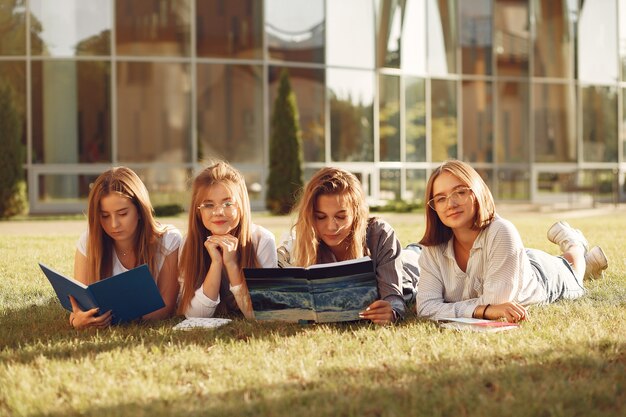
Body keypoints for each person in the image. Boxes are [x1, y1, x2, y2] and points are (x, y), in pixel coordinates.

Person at [416, 160, 609, 322]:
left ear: (476, 192)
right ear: (433, 207)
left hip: (541, 277)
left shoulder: (502, 230)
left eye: (460, 192)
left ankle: (574, 242)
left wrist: (447, 308)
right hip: (512, 261)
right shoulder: (433, 247)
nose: (451, 203)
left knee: (573, 269)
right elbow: (425, 307)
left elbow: (496, 301)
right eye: (441, 198)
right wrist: (483, 310)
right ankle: (590, 261)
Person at [277, 167, 419, 325]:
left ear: (356, 214)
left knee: (414, 257)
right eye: (321, 217)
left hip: (408, 268)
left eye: (341, 216)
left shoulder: (380, 233)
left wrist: (391, 311)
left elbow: (394, 298)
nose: (331, 226)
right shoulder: (304, 238)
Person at [70, 167, 182, 329]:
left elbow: (166, 307)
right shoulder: (88, 241)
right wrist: (77, 321)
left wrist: (116, 321)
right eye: (105, 216)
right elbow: (78, 307)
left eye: (122, 214)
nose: (114, 224)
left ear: (139, 210)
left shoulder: (168, 240)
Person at [178, 161, 277, 319]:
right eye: (209, 205)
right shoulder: (189, 243)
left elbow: (261, 314)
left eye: (228, 203)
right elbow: (194, 315)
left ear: (241, 205)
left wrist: (231, 264)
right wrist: (216, 263)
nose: (218, 212)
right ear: (198, 212)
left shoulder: (262, 240)